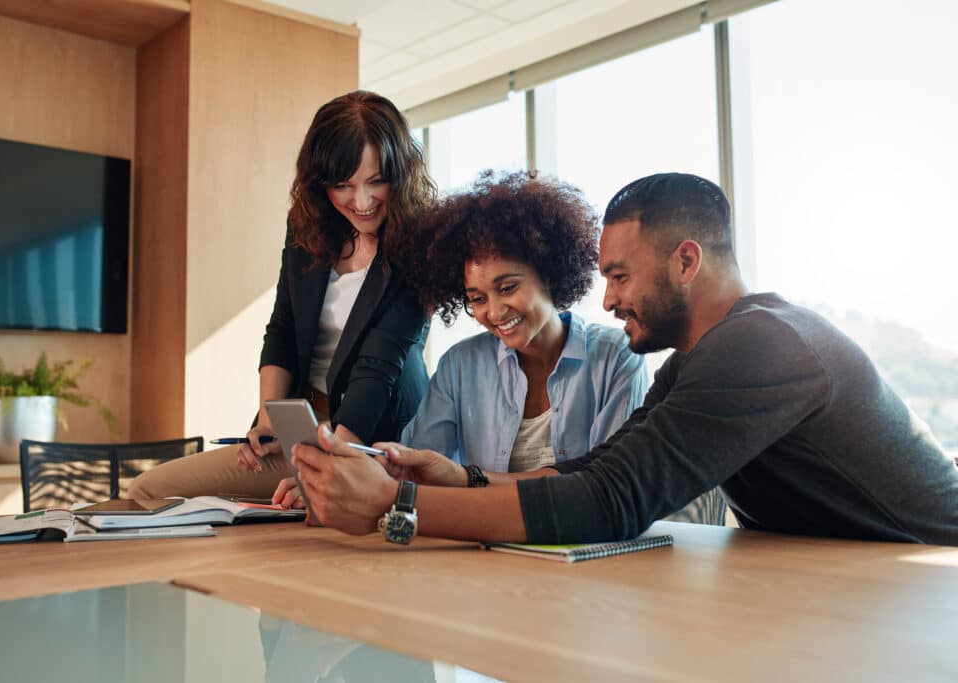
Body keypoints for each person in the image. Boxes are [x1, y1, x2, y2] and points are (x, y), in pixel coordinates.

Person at [286, 172, 958, 546]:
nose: (607, 300)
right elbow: (596, 469)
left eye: (621, 276)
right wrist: (460, 482)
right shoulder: (701, 359)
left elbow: (611, 502)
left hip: (933, 576)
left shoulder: (765, 343)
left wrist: (399, 504)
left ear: (686, 260)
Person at [273, 171, 723, 523]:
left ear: (549, 275)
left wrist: (463, 482)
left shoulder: (614, 358)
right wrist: (344, 476)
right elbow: (409, 464)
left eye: (508, 287)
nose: (493, 311)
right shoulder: (460, 367)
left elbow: (603, 488)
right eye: (476, 298)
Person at [128, 91, 434, 500]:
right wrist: (270, 421)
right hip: (302, 432)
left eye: (376, 181)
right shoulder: (307, 226)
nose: (361, 202)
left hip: (373, 443)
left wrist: (332, 472)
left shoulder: (421, 244)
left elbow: (378, 367)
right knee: (150, 490)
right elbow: (284, 325)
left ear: (400, 172)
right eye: (343, 185)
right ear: (320, 182)